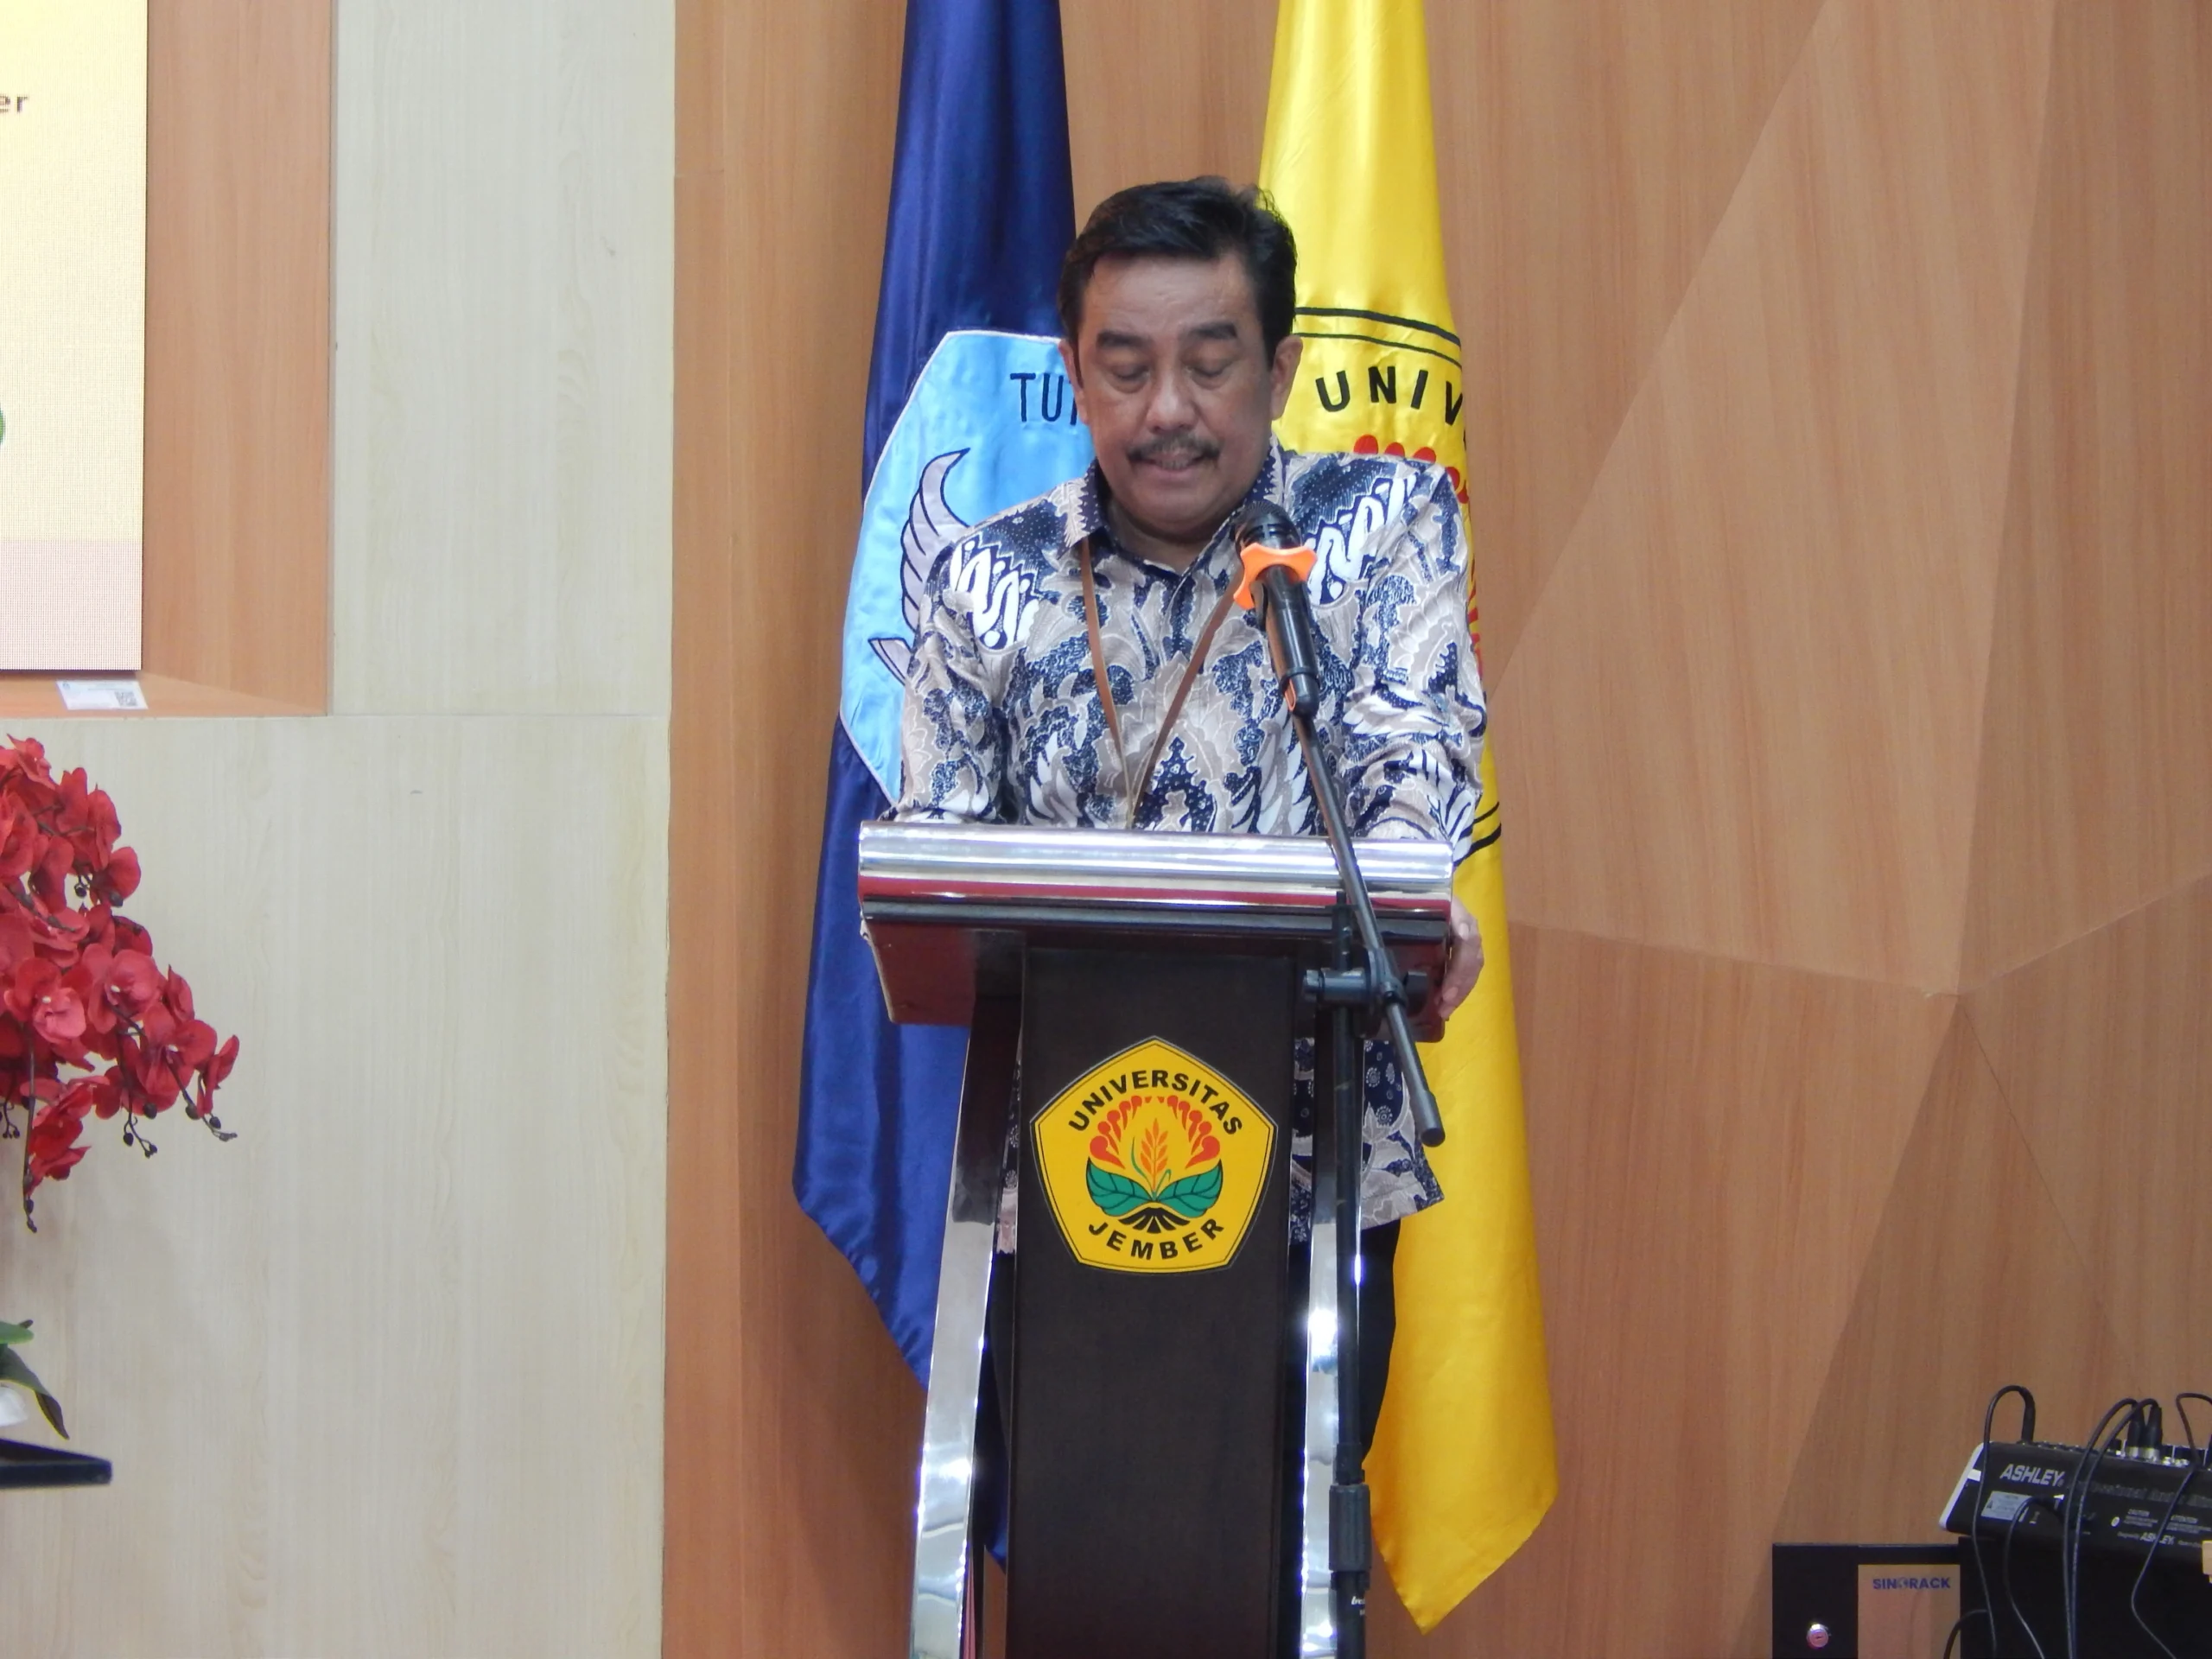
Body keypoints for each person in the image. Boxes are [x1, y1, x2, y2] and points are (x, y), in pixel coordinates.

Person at [893, 175, 1486, 1447]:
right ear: (1075, 375)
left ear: (1279, 369)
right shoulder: (986, 576)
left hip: (1315, 1175)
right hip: (1064, 1172)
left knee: (1292, 1543)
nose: (1167, 410)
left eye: (1210, 366)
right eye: (1126, 369)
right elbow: (937, 865)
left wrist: (1412, 900)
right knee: (1071, 1537)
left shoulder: (1378, 530)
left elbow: (1409, 766)